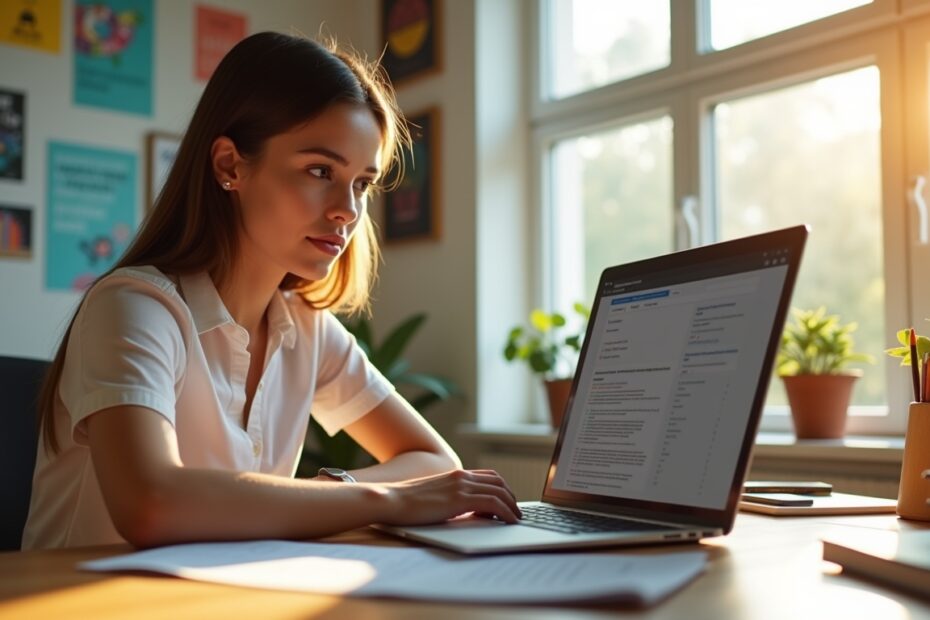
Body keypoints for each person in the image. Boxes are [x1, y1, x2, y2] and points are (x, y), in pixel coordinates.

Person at [22, 31, 520, 550]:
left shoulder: (306, 329)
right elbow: (151, 503)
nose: (347, 210)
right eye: (319, 170)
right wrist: (389, 499)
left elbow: (436, 461)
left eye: (362, 183)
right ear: (229, 166)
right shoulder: (134, 308)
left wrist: (335, 491)